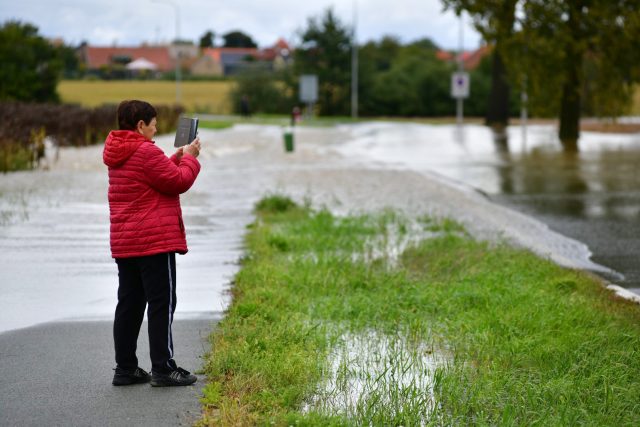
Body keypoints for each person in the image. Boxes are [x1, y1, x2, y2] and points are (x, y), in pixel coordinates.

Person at [103, 100, 201, 387]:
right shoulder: (145, 150)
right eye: (153, 124)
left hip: (126, 242)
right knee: (162, 303)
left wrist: (176, 157)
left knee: (129, 304)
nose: (156, 128)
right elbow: (178, 182)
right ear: (140, 125)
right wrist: (191, 158)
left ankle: (126, 369)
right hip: (153, 243)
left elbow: (153, 178)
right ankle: (163, 368)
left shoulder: (118, 151)